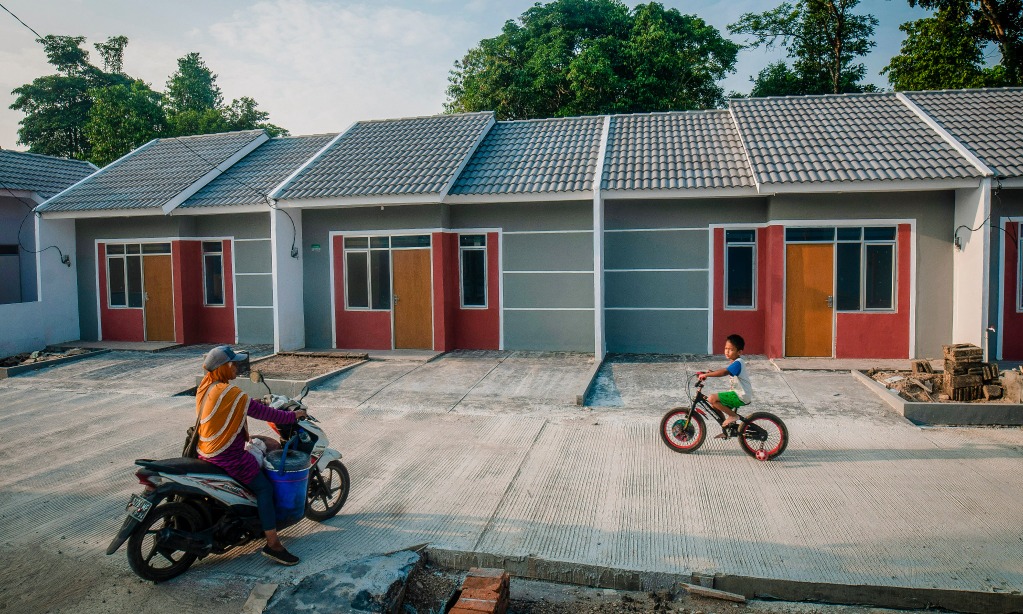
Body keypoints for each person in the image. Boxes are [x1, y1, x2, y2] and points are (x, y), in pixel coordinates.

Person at [195, 345, 307, 566]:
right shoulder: (230, 392)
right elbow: (262, 413)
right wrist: (292, 416)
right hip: (227, 456)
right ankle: (274, 544)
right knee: (264, 488)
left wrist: (260, 401)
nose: (236, 368)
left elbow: (243, 406)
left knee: (261, 441)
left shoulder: (208, 386)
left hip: (205, 450)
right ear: (222, 367)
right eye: (233, 364)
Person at [697, 334, 752, 439]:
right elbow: (724, 371)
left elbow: (724, 372)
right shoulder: (734, 363)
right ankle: (726, 428)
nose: (727, 351)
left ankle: (733, 416)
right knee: (714, 405)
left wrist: (706, 375)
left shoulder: (738, 363)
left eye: (731, 349)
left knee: (712, 398)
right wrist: (711, 373)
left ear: (739, 352)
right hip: (738, 393)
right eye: (726, 348)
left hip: (740, 395)